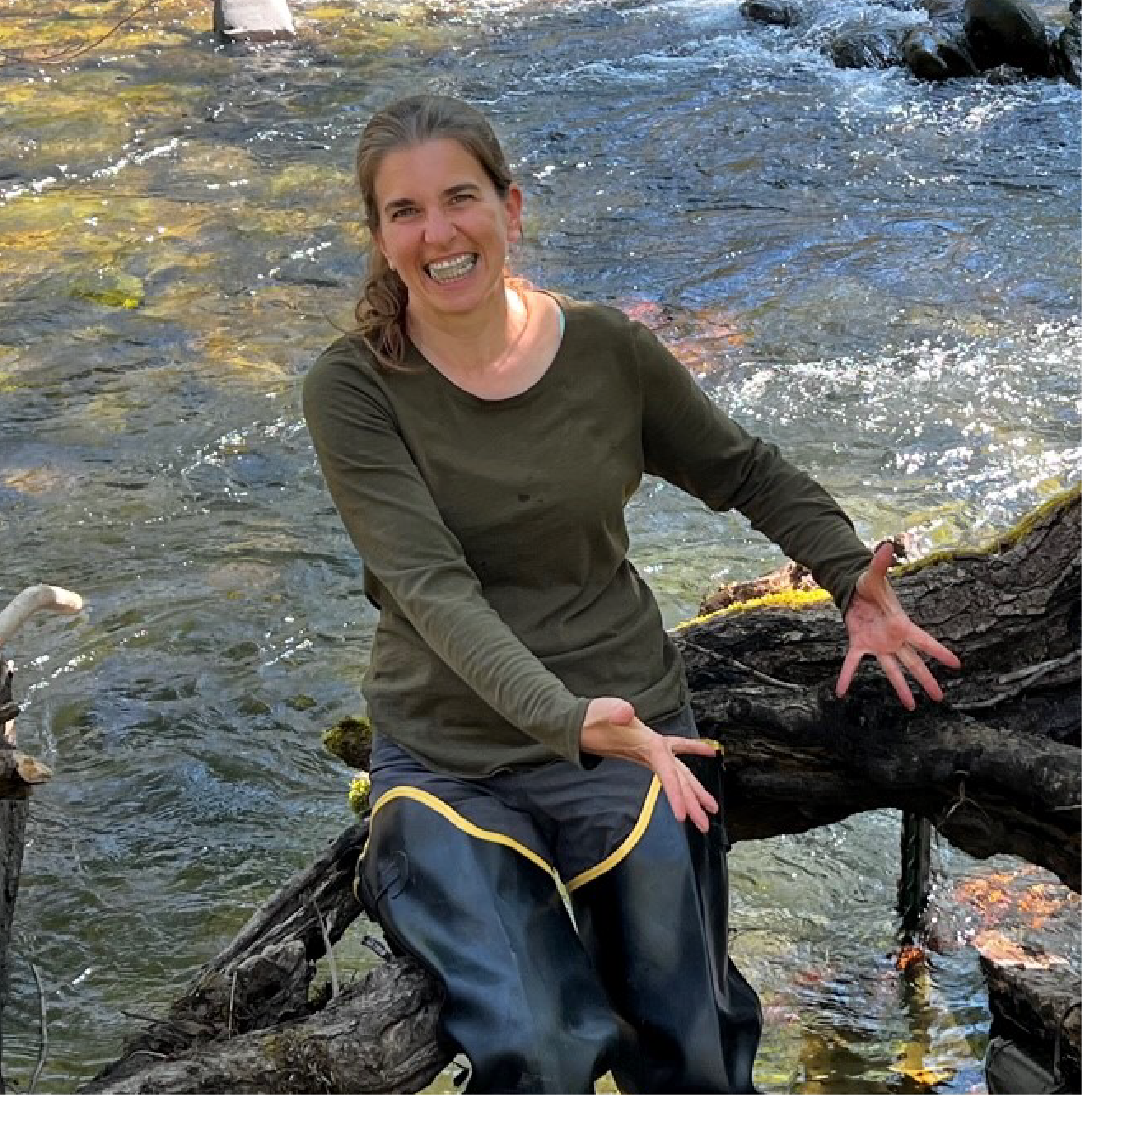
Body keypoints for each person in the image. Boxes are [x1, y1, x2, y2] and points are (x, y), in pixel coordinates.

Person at [302, 93, 960, 1095]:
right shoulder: (351, 388)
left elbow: (745, 470)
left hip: (638, 740)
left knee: (690, 1052)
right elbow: (430, 588)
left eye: (459, 199)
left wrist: (844, 579)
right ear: (381, 236)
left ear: (511, 210)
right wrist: (565, 718)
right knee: (536, 1045)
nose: (437, 232)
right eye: (404, 211)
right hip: (451, 760)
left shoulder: (607, 351)